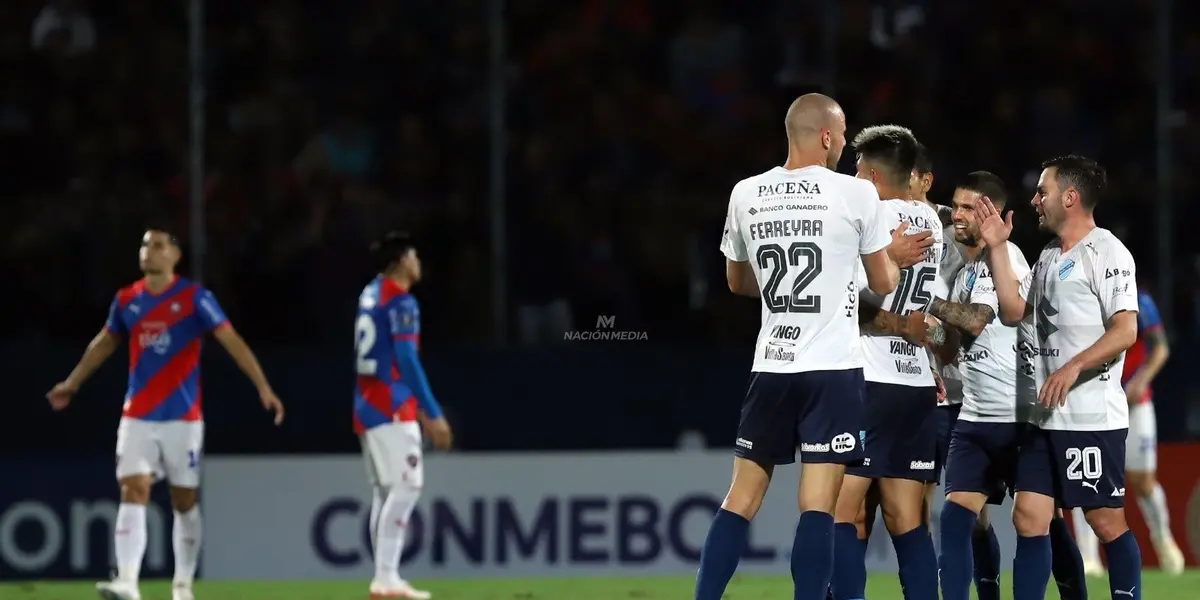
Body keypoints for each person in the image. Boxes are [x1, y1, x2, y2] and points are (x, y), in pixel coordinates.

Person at [697, 93, 929, 600]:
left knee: (741, 497)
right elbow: (882, 282)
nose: (845, 145)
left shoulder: (745, 193)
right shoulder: (855, 194)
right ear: (827, 136)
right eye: (843, 136)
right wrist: (893, 257)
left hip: (772, 363)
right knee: (819, 507)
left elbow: (738, 282)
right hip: (831, 372)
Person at [46, 227, 285, 600]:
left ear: (175, 255)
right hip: (138, 414)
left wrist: (263, 386)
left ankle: (182, 585)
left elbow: (231, 340)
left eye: (158, 246)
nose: (149, 251)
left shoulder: (194, 299)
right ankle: (127, 581)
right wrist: (72, 382)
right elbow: (103, 343)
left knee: (183, 501)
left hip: (182, 418)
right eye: (144, 245)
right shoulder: (127, 300)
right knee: (133, 489)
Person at [978, 155, 1143, 600]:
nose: (1035, 200)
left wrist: (1072, 366)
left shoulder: (1107, 251)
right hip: (1044, 418)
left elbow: (1126, 329)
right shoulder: (1050, 255)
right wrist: (996, 247)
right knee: (1029, 518)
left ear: (1070, 197)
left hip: (1090, 418)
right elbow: (1016, 312)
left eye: (1043, 191)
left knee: (1105, 522)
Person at [829, 124, 942, 600]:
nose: (851, 177)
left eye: (857, 170)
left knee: (839, 512)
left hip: (869, 380)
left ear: (873, 176)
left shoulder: (871, 216)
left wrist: (878, 253)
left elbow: (837, 287)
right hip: (914, 382)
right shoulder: (930, 222)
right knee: (905, 516)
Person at [355, 231, 453, 600]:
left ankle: (384, 577)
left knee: (385, 490)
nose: (418, 262)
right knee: (408, 485)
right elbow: (407, 359)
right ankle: (386, 579)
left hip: (365, 402)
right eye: (413, 255)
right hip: (391, 403)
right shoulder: (402, 303)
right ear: (400, 262)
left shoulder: (370, 293)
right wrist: (432, 412)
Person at [1072, 288, 1185, 575]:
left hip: (1136, 402)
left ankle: (1163, 539)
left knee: (1143, 481)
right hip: (1096, 400)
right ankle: (1088, 558)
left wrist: (1141, 380)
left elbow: (1160, 347)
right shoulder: (1082, 298)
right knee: (1085, 475)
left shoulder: (1140, 300)